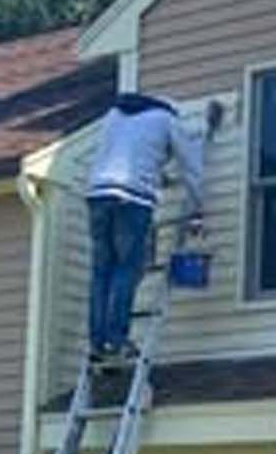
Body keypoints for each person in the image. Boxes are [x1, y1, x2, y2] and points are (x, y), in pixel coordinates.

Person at [84, 93, 206, 363]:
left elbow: (132, 155)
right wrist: (198, 209)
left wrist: (159, 176)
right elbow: (191, 166)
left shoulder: (115, 116)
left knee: (101, 272)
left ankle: (96, 343)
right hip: (132, 201)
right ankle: (116, 341)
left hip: (97, 197)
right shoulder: (167, 120)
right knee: (127, 268)